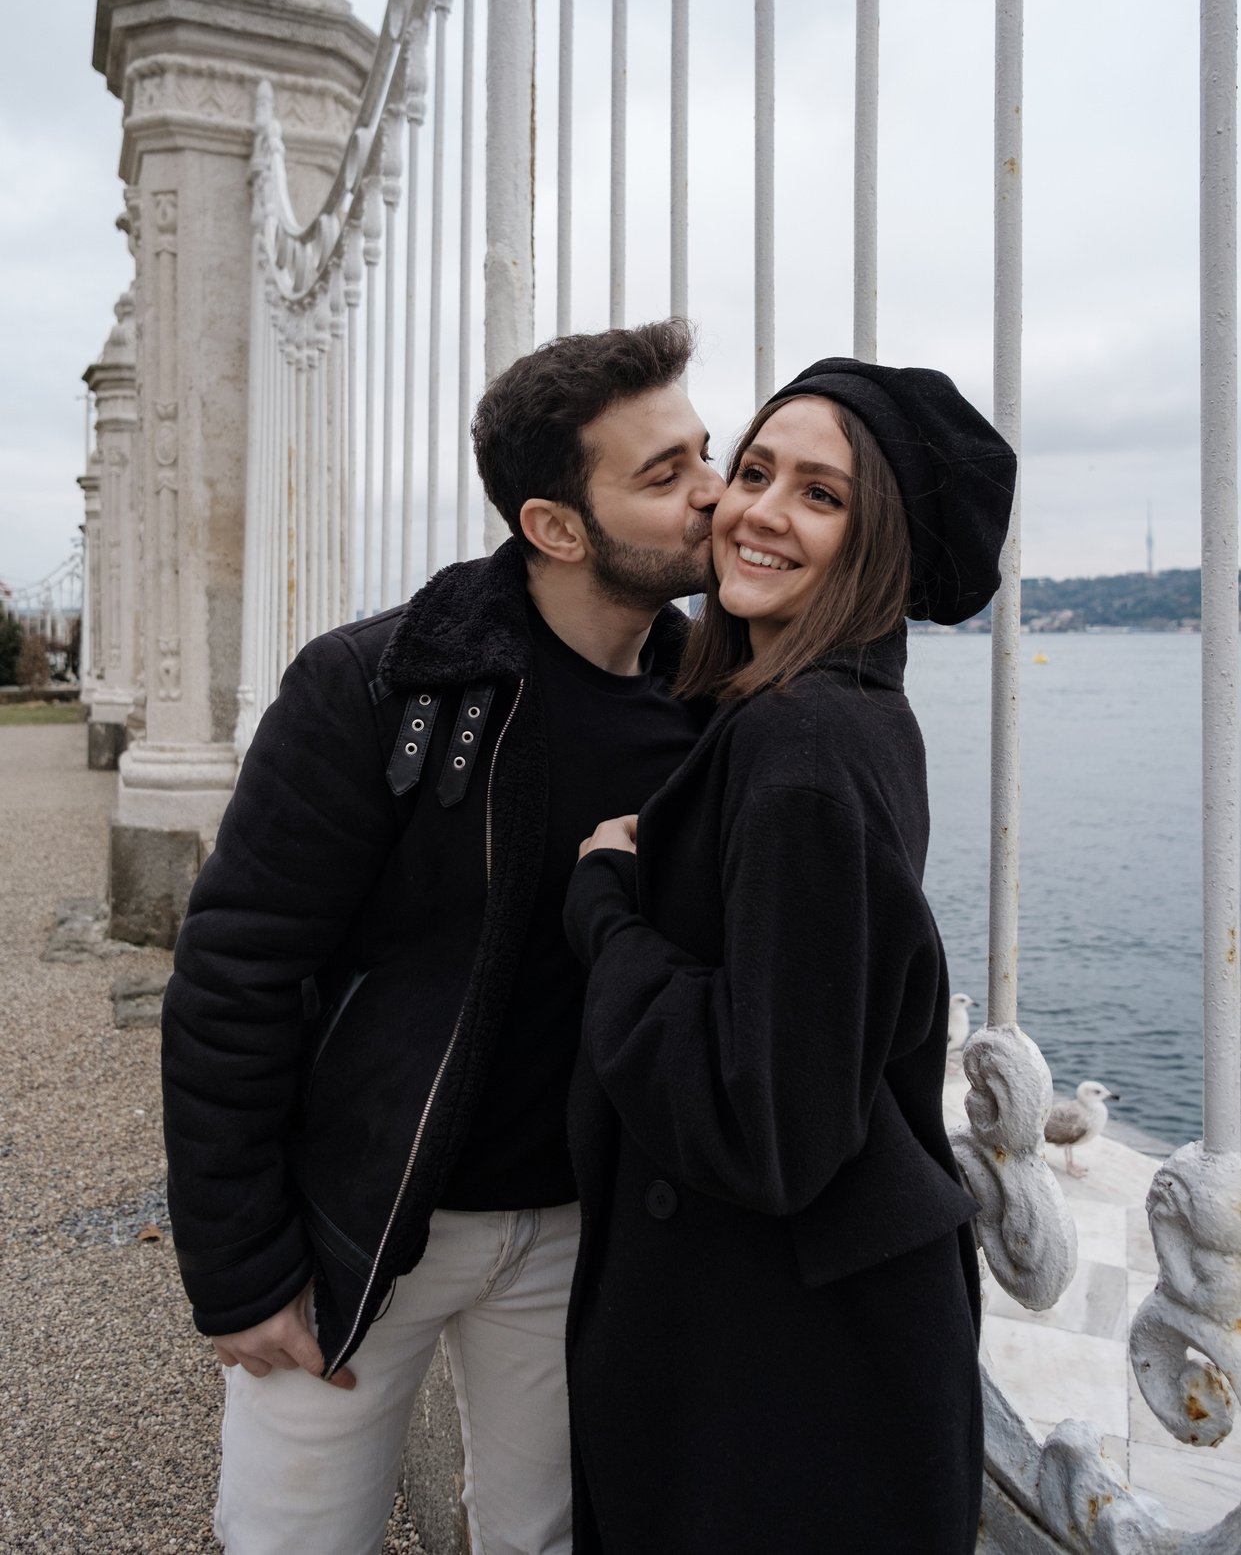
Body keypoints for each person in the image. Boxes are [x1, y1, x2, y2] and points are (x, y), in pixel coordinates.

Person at [160, 319, 725, 1555]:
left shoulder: (711, 706)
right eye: (663, 473)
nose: (713, 495)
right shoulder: (374, 687)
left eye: (703, 451)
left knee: (550, 1538)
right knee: (291, 1540)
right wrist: (240, 1264)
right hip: (362, 1232)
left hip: (584, 1229)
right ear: (554, 526)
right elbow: (233, 972)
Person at [563, 357, 1018, 1554]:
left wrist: (606, 907)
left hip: (791, 1384)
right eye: (755, 469)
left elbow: (765, 1124)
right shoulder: (812, 714)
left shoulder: (805, 747)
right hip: (795, 1338)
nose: (757, 509)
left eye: (820, 495)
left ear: (880, 547)